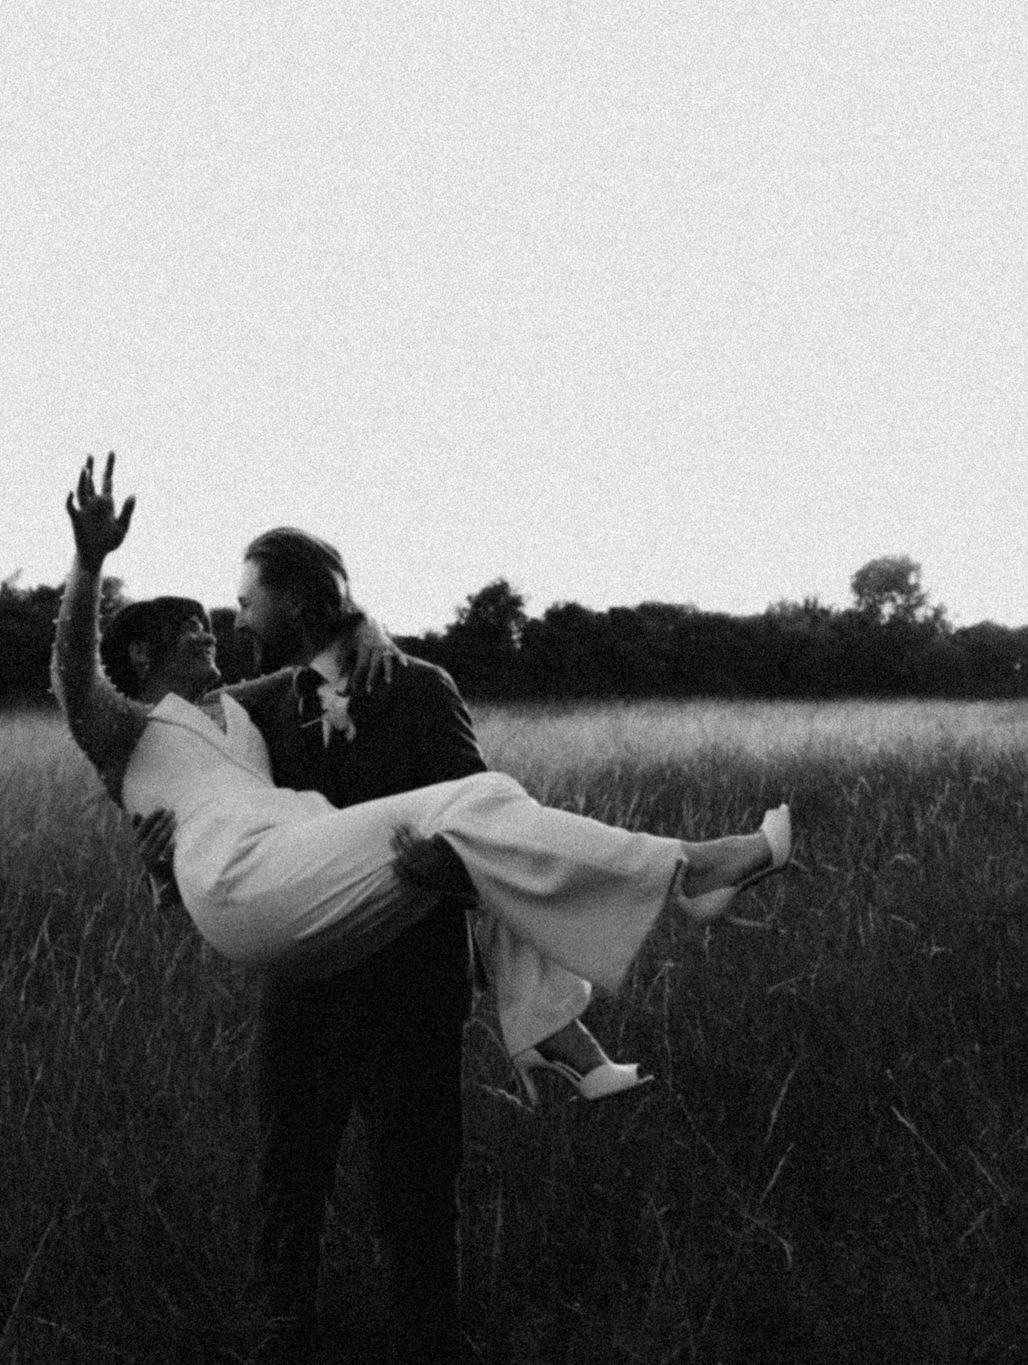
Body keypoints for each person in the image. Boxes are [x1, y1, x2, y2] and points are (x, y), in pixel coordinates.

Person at [52, 454, 790, 1361]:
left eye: (243, 605)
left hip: (409, 970)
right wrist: (159, 862)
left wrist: (442, 871)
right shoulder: (251, 707)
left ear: (298, 598)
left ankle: (428, 1335)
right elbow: (141, 746)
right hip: (305, 967)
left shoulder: (403, 686)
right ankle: (285, 1337)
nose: (229, 627)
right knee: (291, 1172)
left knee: (418, 1180)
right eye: (211, 624)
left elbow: (479, 827)